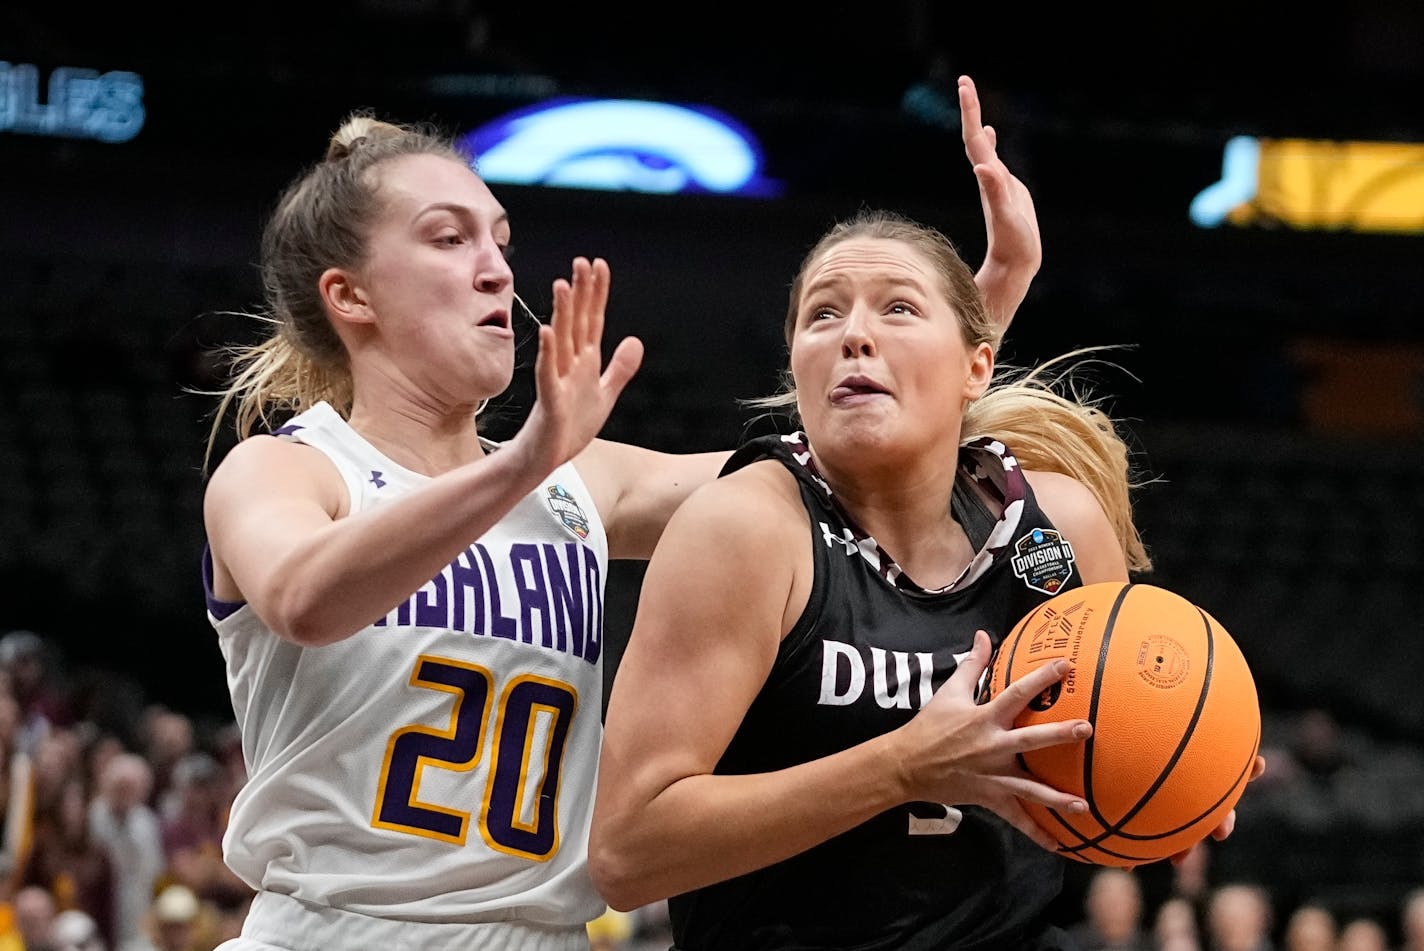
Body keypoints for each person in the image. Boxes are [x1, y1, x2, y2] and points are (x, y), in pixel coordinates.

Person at [198, 76, 1042, 951]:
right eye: (448, 240)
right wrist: (527, 458)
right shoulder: (286, 467)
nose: (495, 266)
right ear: (351, 296)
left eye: (500, 239)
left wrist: (990, 299)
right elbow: (306, 598)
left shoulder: (579, 483)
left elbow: (840, 458)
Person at [589, 208, 1265, 949]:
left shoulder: (1056, 529)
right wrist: (902, 767)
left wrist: (1177, 777)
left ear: (977, 365)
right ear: (798, 368)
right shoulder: (746, 530)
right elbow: (626, 851)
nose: (853, 334)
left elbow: (1095, 774)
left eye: (899, 307)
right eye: (822, 314)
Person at [1066, 868, 1153, 951]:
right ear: (1090, 902)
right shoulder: (1068, 943)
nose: (1112, 904)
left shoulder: (1154, 945)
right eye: (1104, 895)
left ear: (1137, 903)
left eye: (1121, 896)